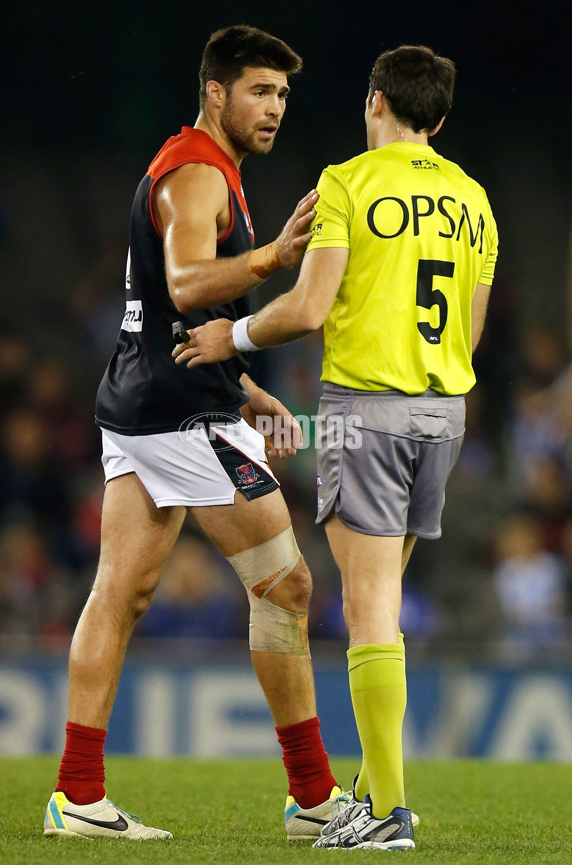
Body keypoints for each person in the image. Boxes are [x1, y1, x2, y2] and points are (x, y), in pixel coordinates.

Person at [174, 44, 499, 850]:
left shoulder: (350, 182)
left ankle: (387, 812)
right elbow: (472, 330)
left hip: (369, 409)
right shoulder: (476, 200)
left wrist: (234, 333)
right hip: (442, 415)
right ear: (442, 118)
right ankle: (376, 791)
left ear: (375, 101)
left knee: (368, 612)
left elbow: (308, 308)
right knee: (379, 604)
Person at [44, 25, 350, 842]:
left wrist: (246, 388)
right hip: (181, 416)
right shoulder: (195, 172)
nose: (274, 107)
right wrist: (275, 257)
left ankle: (76, 794)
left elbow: (172, 311)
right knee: (286, 587)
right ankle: (316, 798)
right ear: (215, 92)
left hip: (152, 399)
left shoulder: (205, 169)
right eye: (259, 89)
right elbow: (184, 285)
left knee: (121, 591)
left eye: (282, 94)